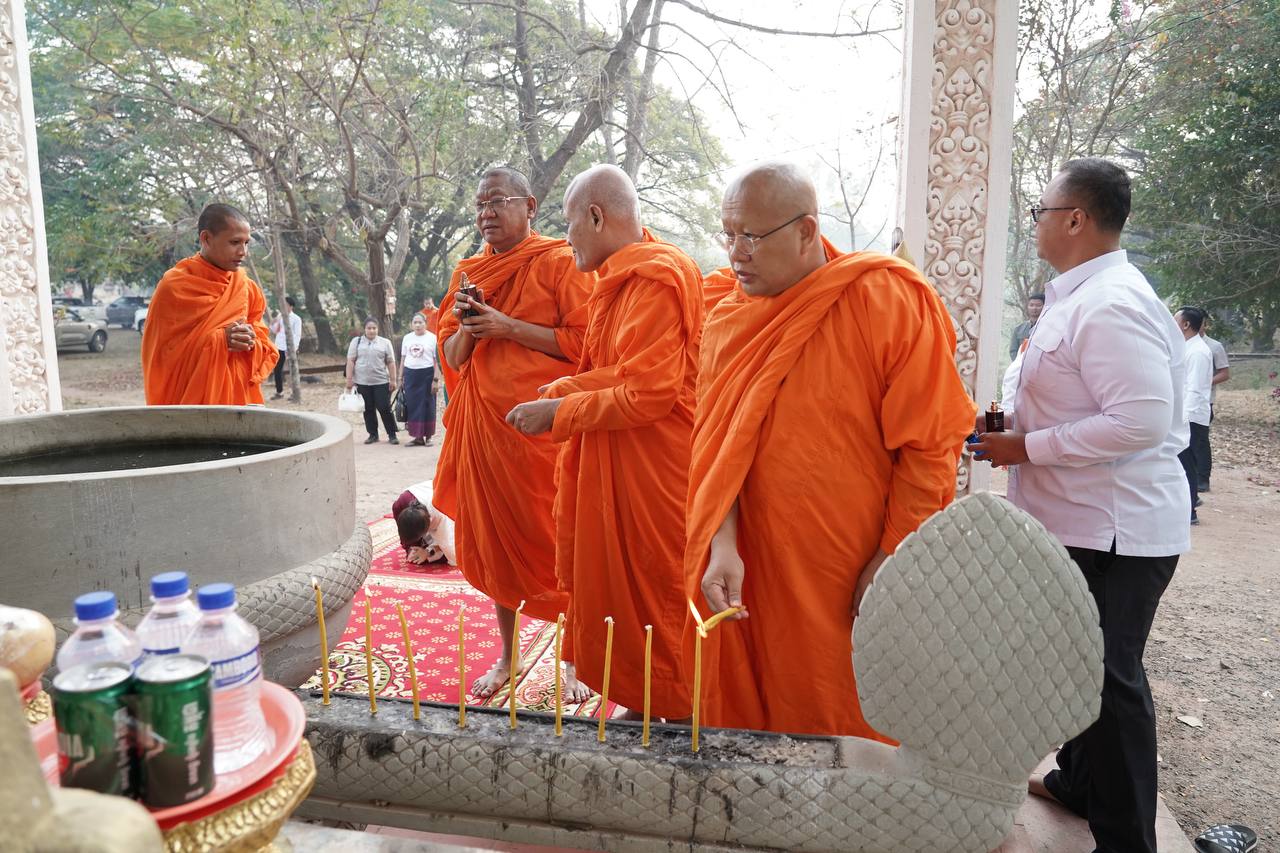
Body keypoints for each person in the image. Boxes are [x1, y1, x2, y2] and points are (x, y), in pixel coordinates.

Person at [686, 162, 975, 739]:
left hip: (847, 573)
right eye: (729, 234)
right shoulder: (729, 318)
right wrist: (724, 544)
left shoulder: (883, 299)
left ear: (806, 230)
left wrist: (892, 556)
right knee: (749, 724)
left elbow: (930, 446)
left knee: (843, 724)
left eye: (751, 236)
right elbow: (720, 452)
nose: (736, 253)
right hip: (750, 570)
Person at [973, 158, 1189, 853]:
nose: (1034, 222)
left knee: (1107, 679)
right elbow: (1070, 396)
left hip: (1115, 528)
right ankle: (1079, 782)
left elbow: (1140, 421)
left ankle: (1127, 841)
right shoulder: (1077, 297)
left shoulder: (1111, 303)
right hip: (1079, 521)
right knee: (1076, 663)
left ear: (1075, 219)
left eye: (1040, 211)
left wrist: (1028, 447)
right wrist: (1009, 430)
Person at [507, 164, 703, 722]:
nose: (566, 237)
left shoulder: (654, 280)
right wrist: (566, 389)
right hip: (627, 460)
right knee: (624, 596)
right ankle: (646, 701)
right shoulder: (624, 276)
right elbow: (622, 370)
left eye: (569, 222)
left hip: (655, 470)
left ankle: (676, 711)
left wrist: (561, 411)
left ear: (595, 216)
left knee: (658, 593)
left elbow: (649, 394)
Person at [431, 166, 594, 699]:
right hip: (488, 430)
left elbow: (584, 344)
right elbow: (453, 355)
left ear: (529, 205)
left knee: (558, 540)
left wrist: (508, 327)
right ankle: (508, 655)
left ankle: (575, 660)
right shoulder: (469, 272)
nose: (487, 213)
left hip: (544, 429)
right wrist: (472, 328)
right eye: (480, 204)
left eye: (498, 201)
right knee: (498, 546)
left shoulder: (560, 261)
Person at [141, 204, 278, 405]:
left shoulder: (246, 287)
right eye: (235, 242)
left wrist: (249, 341)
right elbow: (162, 357)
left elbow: (263, 345)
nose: (243, 252)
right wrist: (221, 340)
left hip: (236, 399)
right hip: (190, 403)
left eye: (246, 243)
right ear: (206, 238)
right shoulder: (175, 287)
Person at [1176, 306, 1213, 524]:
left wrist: (1184, 417)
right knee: (1182, 462)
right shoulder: (1187, 348)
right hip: (1185, 414)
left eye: (1175, 320)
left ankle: (1190, 511)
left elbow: (1195, 389)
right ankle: (1188, 505)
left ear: (1186, 324)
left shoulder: (1198, 351)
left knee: (1187, 464)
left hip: (1191, 416)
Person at [345, 318, 399, 445]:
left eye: (374, 328)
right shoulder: (356, 342)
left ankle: (392, 434)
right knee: (368, 409)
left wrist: (393, 380)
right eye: (369, 328)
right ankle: (373, 434)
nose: (371, 330)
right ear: (364, 329)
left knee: (384, 407)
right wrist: (349, 379)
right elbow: (351, 360)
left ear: (378, 329)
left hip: (381, 381)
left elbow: (391, 362)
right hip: (362, 382)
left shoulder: (385, 343)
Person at [391, 481, 456, 567]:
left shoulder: (442, 517)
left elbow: (453, 554)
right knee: (414, 551)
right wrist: (410, 548)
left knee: (446, 556)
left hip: (451, 502)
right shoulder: (401, 504)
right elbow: (406, 533)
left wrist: (428, 552)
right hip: (427, 499)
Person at [398, 312, 439, 446]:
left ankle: (428, 437)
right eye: (415, 322)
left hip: (427, 375)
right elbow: (403, 359)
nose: (417, 325)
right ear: (411, 324)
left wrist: (435, 380)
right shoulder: (407, 338)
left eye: (420, 322)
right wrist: (400, 378)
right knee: (413, 406)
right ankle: (418, 437)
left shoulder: (432, 338)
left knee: (428, 405)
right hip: (411, 375)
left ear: (425, 324)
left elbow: (437, 361)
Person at [1200, 318, 1230, 492]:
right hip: (1183, 400)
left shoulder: (1214, 346)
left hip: (1205, 400)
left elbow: (1225, 373)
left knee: (1200, 440)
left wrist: (1203, 383)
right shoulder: (1180, 344)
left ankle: (1203, 478)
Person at [269, 296, 303, 400]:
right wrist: (274, 321)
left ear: (291, 306)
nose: (283, 307)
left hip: (290, 348)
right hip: (279, 346)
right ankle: (279, 392)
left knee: (292, 371)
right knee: (277, 369)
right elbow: (275, 330)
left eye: (286, 305)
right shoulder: (280, 316)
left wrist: (293, 348)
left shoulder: (296, 319)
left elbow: (297, 335)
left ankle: (294, 393)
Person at [1009, 292, 1045, 361]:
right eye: (1031, 305)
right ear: (1027, 307)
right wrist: (1018, 363)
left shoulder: (1048, 328)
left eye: (1038, 305)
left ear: (1044, 307)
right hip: (1020, 364)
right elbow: (1013, 351)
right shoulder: (1018, 329)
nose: (1034, 308)